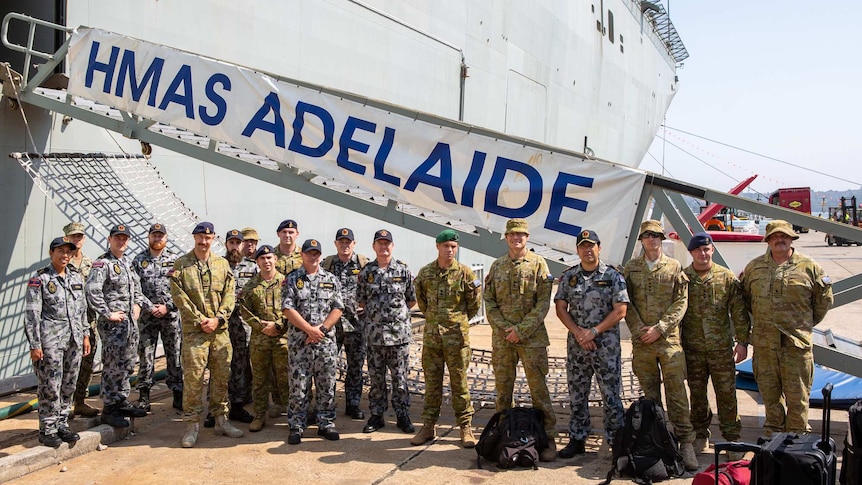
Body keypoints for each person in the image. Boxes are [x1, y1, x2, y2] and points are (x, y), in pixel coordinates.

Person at [741, 220, 833, 436]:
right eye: (774, 237)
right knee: (770, 397)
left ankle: (796, 442)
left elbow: (823, 302)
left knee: (798, 399)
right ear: (768, 241)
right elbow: (745, 302)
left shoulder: (810, 267)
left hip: (796, 348)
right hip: (765, 348)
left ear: (791, 238)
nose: (779, 240)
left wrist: (803, 325)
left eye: (784, 236)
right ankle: (773, 442)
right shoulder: (754, 268)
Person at [623, 219, 697, 471]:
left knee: (677, 393)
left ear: (661, 238)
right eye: (647, 235)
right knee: (649, 396)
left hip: (668, 341)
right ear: (641, 240)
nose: (652, 239)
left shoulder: (674, 267)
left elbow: (681, 302)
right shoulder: (631, 269)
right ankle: (655, 439)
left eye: (656, 235)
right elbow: (626, 304)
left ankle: (686, 442)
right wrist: (638, 329)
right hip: (642, 341)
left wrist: (660, 328)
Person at [483, 218, 558, 462]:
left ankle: (549, 438)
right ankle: (504, 435)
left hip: (532, 339)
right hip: (503, 340)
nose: (517, 239)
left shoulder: (538, 264)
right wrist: (506, 329)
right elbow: (490, 302)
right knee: (503, 391)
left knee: (539, 391)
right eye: (512, 235)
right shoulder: (497, 266)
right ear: (506, 237)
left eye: (521, 235)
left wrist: (521, 331)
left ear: (527, 238)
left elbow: (543, 303)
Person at [554, 229, 628, 458]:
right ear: (577, 250)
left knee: (611, 396)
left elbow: (620, 311)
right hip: (578, 347)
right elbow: (560, 308)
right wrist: (579, 334)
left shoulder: (613, 276)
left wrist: (593, 332)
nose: (587, 250)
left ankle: (617, 441)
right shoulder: (569, 276)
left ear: (599, 248)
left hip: (606, 347)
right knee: (577, 395)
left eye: (591, 245)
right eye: (583, 246)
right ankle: (577, 439)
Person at [170, 222, 243, 448]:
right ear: (194, 238)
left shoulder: (222, 265)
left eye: (208, 238)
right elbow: (179, 297)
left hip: (219, 331)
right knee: (194, 380)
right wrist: (201, 320)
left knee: (221, 376)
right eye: (200, 237)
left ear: (213, 239)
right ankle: (192, 425)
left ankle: (221, 420)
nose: (204, 241)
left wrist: (218, 319)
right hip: (195, 332)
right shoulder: (181, 265)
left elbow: (230, 295)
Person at [681, 232, 750, 460]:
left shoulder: (725, 277)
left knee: (727, 394)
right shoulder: (682, 277)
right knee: (697, 395)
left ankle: (731, 438)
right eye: (698, 250)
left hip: (721, 348)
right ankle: (701, 433)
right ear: (691, 252)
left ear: (712, 250)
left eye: (706, 249)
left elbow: (738, 312)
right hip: (693, 349)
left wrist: (742, 341)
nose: (703, 253)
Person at [410, 229, 481, 448]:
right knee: (432, 385)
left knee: (459, 385)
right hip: (432, 339)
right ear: (437, 246)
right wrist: (436, 319)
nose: (449, 250)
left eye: (453, 247)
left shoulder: (466, 274)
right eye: (445, 246)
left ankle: (465, 428)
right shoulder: (426, 273)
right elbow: (421, 302)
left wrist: (455, 320)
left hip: (456, 339)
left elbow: (474, 305)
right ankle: (428, 426)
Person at [25, 236, 91, 447]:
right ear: (51, 253)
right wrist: (35, 345)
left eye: (68, 252)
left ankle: (62, 424)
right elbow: (32, 315)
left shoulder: (75, 276)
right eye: (60, 251)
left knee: (69, 384)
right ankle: (48, 429)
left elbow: (82, 309)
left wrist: (85, 334)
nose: (64, 255)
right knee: (50, 385)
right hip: (50, 341)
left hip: (74, 339)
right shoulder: (40, 279)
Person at [85, 224, 148, 428]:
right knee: (112, 366)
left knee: (127, 363)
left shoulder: (128, 263)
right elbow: (92, 291)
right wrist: (108, 313)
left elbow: (137, 289)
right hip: (113, 326)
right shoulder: (102, 264)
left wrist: (138, 304)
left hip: (130, 324)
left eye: (124, 238)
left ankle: (121, 400)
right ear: (110, 239)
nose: (121, 241)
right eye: (117, 238)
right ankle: (110, 408)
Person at [282, 239, 344, 444]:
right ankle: (297, 425)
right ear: (302, 255)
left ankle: (326, 423)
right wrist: (309, 330)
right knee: (299, 386)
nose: (313, 256)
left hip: (325, 343)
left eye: (317, 253)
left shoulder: (331, 279)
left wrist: (322, 330)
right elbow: (287, 309)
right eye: (310, 253)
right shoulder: (292, 279)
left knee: (327, 384)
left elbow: (338, 308)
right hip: (300, 343)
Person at [357, 229, 417, 434]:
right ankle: (376, 415)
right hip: (375, 336)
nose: (384, 247)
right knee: (376, 379)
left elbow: (411, 299)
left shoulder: (404, 271)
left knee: (400, 379)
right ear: (374, 246)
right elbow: (361, 300)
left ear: (392, 246)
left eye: (387, 243)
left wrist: (397, 318)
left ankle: (402, 415)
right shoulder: (367, 272)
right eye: (379, 243)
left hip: (399, 337)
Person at [131, 223, 183, 412]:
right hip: (147, 317)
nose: (158, 239)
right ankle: (144, 396)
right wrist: (150, 307)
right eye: (154, 235)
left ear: (166, 238)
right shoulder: (138, 261)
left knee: (175, 355)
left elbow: (181, 289)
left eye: (161, 236)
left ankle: (178, 394)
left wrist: (168, 306)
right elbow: (135, 290)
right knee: (146, 357)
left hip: (170, 317)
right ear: (149, 237)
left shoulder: (176, 260)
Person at [239, 245, 289, 432]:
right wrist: (261, 326)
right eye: (262, 259)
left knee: (285, 377)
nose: (266, 261)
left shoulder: (286, 282)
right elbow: (244, 310)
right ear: (257, 262)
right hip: (260, 340)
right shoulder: (251, 286)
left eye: (269, 258)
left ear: (275, 259)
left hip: (282, 339)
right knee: (260, 379)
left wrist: (278, 324)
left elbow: (293, 307)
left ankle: (291, 412)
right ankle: (260, 414)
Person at [322, 227, 369, 420]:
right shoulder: (328, 263)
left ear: (354, 244)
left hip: (357, 325)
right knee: (328, 365)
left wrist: (366, 305)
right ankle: (328, 404)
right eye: (341, 242)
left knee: (355, 366)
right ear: (336, 244)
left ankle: (353, 404)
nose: (345, 245)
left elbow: (373, 287)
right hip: (333, 326)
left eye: (348, 242)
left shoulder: (364, 264)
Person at [64, 222, 100, 418]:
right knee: (68, 363)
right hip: (68, 323)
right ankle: (65, 404)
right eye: (73, 237)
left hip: (89, 321)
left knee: (87, 362)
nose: (76, 240)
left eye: (79, 236)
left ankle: (80, 402)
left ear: (83, 239)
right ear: (67, 238)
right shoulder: (61, 261)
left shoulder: (90, 263)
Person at [225, 229, 256, 424]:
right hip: (222, 322)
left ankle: (237, 405)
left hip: (243, 324)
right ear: (227, 244)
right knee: (219, 363)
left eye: (238, 243)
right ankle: (216, 408)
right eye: (232, 242)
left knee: (240, 363)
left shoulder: (252, 268)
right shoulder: (218, 265)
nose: (235, 246)